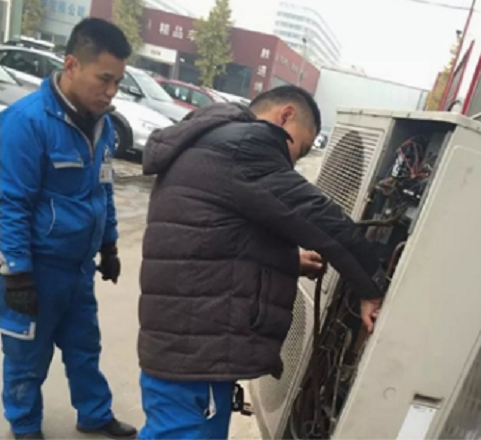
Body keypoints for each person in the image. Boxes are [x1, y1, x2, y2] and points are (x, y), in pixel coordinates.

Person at [137, 86, 388, 439]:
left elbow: (209, 236)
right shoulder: (245, 146)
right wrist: (371, 288)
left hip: (183, 341)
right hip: (195, 352)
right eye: (299, 148)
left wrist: (287, 260)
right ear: (285, 116)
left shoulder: (210, 141)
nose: (292, 163)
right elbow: (321, 220)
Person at [0, 18, 137, 440]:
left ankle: (94, 414)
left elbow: (103, 189)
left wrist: (109, 244)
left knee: (84, 347)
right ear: (72, 65)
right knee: (27, 355)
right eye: (104, 79)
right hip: (37, 270)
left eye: (118, 82)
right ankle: (25, 427)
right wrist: (16, 273)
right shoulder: (26, 123)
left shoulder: (103, 125)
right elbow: (9, 204)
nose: (112, 91)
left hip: (78, 269)